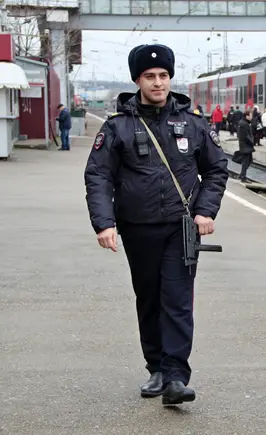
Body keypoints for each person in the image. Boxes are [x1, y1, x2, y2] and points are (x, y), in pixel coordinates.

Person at [83, 43, 229, 406]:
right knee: (149, 299)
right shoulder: (118, 127)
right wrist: (104, 223)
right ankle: (157, 369)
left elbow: (216, 170)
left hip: (182, 228)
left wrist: (206, 211)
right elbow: (98, 176)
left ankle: (177, 375)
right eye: (150, 77)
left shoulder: (193, 124)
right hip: (138, 227)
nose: (158, 82)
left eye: (163, 76)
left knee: (177, 301)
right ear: (137, 80)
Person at [236, 109, 255, 182]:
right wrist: (252, 141)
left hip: (245, 145)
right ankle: (243, 177)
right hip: (245, 145)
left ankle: (242, 174)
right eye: (250, 116)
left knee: (248, 160)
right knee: (246, 161)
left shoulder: (243, 123)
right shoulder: (244, 124)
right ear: (247, 116)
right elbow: (246, 136)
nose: (251, 117)